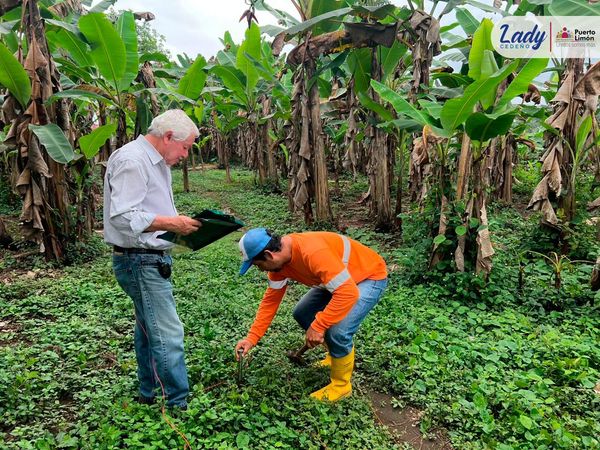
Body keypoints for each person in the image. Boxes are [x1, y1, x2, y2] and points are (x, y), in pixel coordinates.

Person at [103, 109, 201, 410]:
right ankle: (177, 403)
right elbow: (122, 217)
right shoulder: (133, 160)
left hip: (148, 258)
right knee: (168, 333)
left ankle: (149, 392)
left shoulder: (157, 162)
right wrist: (173, 224)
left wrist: (180, 227)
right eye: (185, 147)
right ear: (168, 137)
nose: (185, 155)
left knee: (148, 330)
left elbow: (147, 210)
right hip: (139, 261)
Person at [235, 228, 388, 401]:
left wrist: (319, 326)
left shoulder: (312, 252)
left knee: (338, 332)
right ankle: (334, 356)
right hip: (336, 280)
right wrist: (251, 338)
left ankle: (341, 386)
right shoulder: (279, 267)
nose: (261, 270)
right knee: (302, 313)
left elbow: (347, 293)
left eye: (258, 265)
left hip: (367, 277)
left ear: (269, 255)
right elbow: (270, 303)